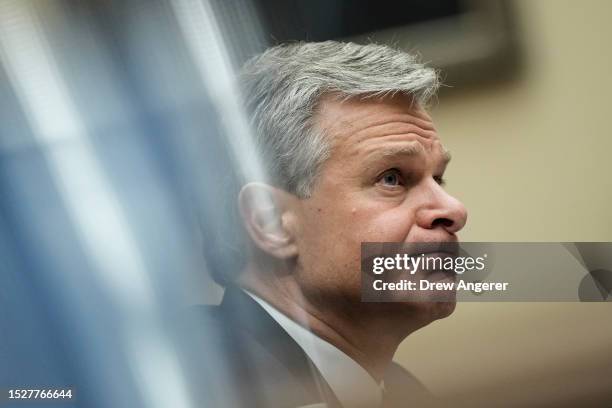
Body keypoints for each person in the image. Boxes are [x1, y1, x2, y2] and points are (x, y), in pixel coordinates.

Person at [192, 41, 468, 408]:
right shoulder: (192, 384)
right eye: (392, 178)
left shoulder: (406, 394)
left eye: (439, 179)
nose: (453, 209)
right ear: (270, 222)